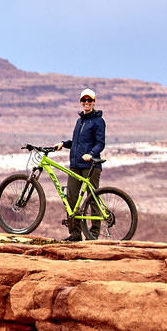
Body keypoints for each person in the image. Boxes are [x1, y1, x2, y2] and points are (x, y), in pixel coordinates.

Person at [58, 88, 105, 240]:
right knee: (71, 198)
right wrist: (64, 144)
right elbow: (77, 143)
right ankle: (75, 233)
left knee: (93, 199)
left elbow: (100, 143)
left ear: (94, 102)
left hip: (91, 166)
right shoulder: (79, 121)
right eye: (84, 100)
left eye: (89, 100)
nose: (86, 102)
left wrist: (90, 154)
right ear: (80, 102)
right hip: (76, 165)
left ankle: (93, 234)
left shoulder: (98, 121)